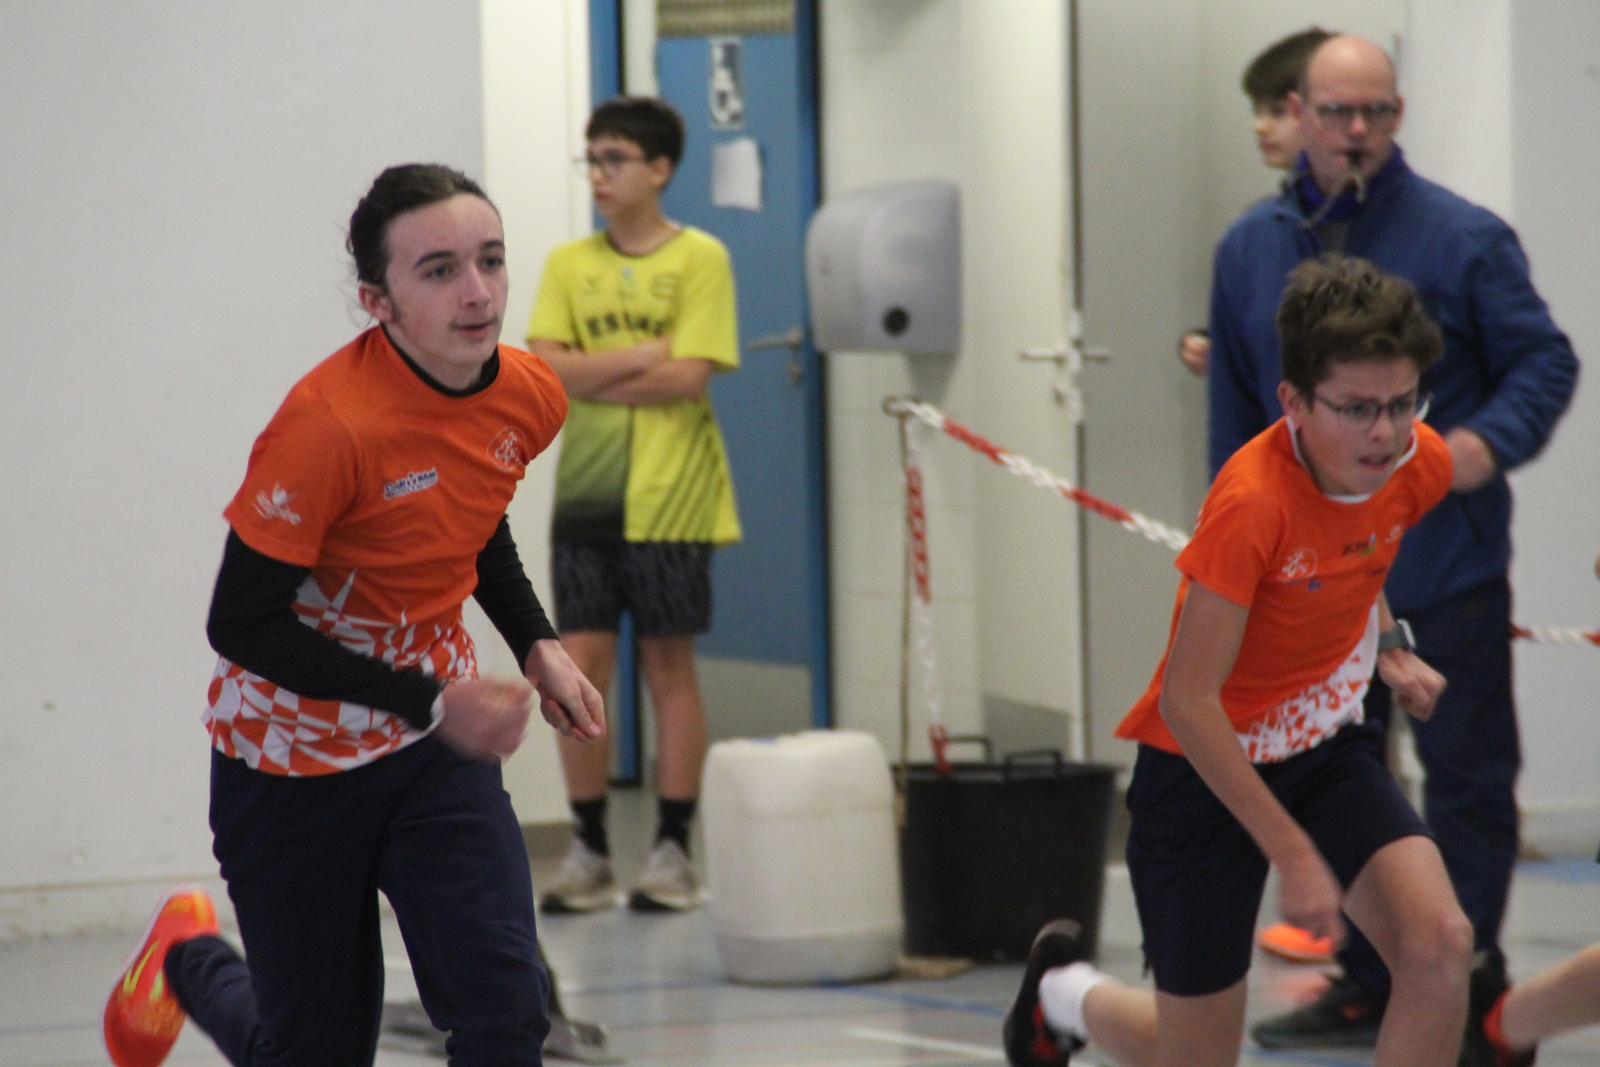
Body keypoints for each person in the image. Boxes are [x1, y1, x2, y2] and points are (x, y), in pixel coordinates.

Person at [101, 163, 606, 1067]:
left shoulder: (530, 393)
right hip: (292, 755)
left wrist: (537, 643)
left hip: (432, 750)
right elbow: (242, 623)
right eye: (439, 270)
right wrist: (432, 696)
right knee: (315, 1051)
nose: (477, 291)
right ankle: (188, 958)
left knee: (505, 1012)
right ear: (378, 300)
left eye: (491, 259)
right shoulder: (329, 425)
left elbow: (473, 518)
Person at [1205, 35, 1579, 1057]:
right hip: (1305, 584)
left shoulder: (1465, 237)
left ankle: (1467, 982)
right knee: (1335, 773)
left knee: (1465, 776)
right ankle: (1369, 980)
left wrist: (1481, 446)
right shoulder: (1248, 249)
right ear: (1299, 113)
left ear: (1399, 115)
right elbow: (1234, 413)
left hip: (1442, 564)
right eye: (1336, 111)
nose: (1356, 130)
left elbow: (1544, 362)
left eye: (1376, 110)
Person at [1004, 255, 1472, 1067]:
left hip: (1325, 751)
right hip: (1204, 772)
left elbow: (1359, 549)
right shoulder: (1252, 502)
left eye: (1402, 403)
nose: (1385, 431)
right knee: (1192, 1053)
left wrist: (1389, 644)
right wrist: (1293, 851)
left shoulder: (1415, 462)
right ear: (1293, 401)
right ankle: (1063, 994)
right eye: (1357, 408)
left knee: (1440, 946)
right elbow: (1188, 701)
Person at [525, 96, 741, 914]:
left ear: (659, 169)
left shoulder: (702, 259)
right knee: (576, 667)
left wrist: (597, 368)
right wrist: (646, 352)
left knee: (666, 667)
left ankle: (673, 850)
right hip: (588, 495)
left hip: (672, 499)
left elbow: (689, 377)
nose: (599, 174)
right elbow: (547, 369)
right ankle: (588, 849)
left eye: (614, 158)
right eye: (591, 158)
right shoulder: (567, 264)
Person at [1179, 27, 1333, 379]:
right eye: (1256, 111)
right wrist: (1215, 347)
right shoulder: (1257, 231)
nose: (1259, 126)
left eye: (1277, 112)